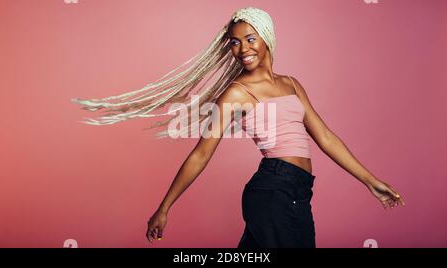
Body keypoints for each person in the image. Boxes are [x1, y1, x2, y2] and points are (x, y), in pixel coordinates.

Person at [71, 7, 405, 248]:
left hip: (297, 192)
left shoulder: (292, 84)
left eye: (249, 38)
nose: (242, 49)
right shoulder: (236, 93)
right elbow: (201, 154)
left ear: (267, 38)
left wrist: (370, 182)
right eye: (234, 42)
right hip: (273, 191)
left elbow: (326, 138)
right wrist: (165, 207)